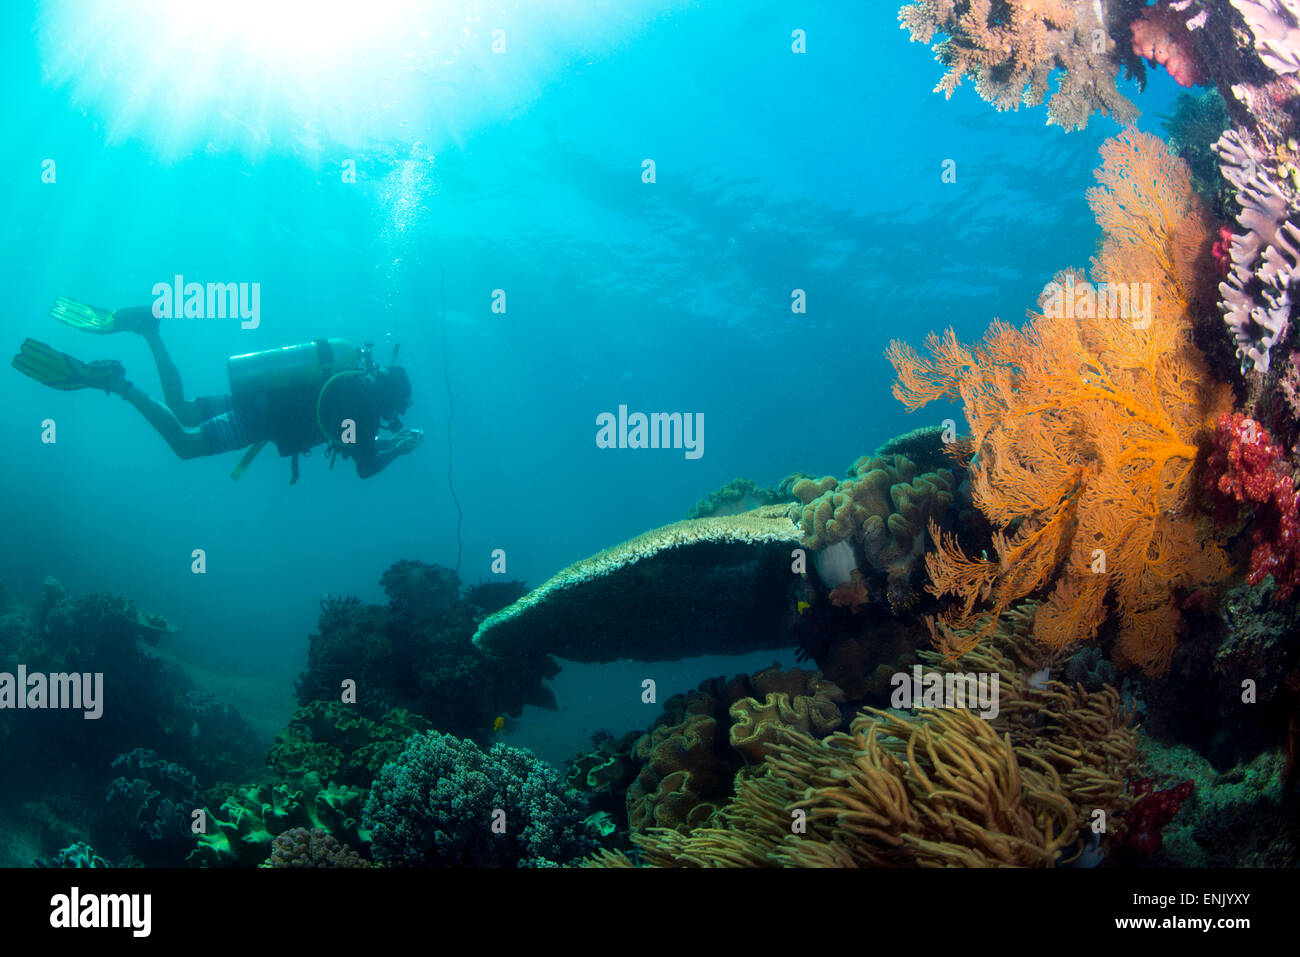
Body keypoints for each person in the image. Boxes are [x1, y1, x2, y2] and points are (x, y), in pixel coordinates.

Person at [12, 297, 423, 481]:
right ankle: (117, 383)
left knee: (182, 406)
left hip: (263, 395)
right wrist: (399, 447)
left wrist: (388, 442)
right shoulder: (367, 413)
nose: (393, 418)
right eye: (396, 410)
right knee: (187, 444)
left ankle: (149, 332)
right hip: (263, 419)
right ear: (390, 400)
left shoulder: (354, 380)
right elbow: (366, 467)